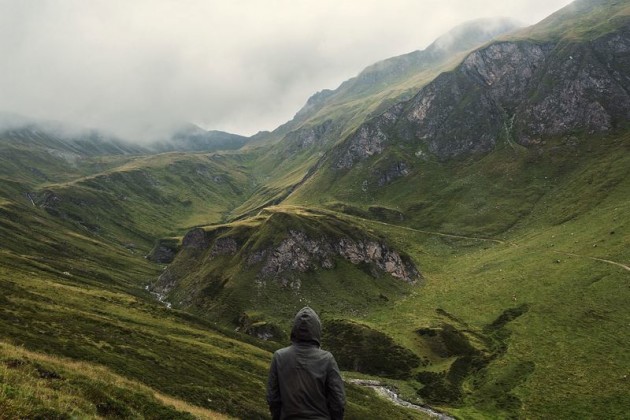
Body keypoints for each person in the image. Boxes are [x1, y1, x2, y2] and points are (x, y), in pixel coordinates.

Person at [266, 307, 345, 420]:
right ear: (316, 329)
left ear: (295, 329)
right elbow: (338, 400)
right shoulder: (327, 359)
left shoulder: (279, 356)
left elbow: (272, 397)